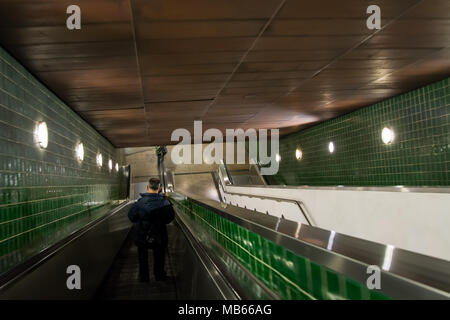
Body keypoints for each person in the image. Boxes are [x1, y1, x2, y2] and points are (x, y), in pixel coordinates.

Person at [128, 178, 175, 282]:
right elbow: (170, 218)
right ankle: (159, 275)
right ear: (160, 188)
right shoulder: (165, 203)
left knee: (142, 257)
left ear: (147, 187)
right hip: (160, 235)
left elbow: (132, 217)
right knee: (159, 256)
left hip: (142, 235)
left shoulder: (139, 203)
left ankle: (144, 277)